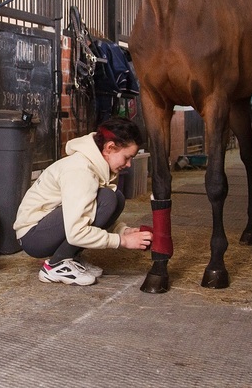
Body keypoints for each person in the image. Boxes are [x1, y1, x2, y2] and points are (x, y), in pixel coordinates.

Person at [13, 116, 153, 286]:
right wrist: (122, 241)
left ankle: (70, 258)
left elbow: (88, 212)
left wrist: (122, 230)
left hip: (46, 228)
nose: (129, 164)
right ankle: (56, 265)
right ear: (110, 148)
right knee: (107, 198)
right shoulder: (81, 170)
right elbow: (77, 231)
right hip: (33, 236)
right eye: (127, 157)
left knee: (116, 197)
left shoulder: (98, 165)